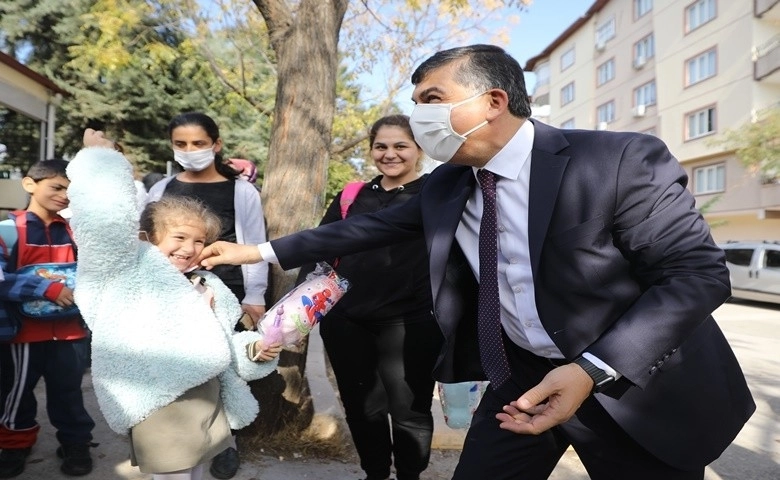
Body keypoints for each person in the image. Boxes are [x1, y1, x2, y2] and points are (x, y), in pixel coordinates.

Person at [196, 44, 756, 480]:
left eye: (433, 100)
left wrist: (591, 370)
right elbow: (368, 227)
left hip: (629, 384)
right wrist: (257, 251)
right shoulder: (447, 186)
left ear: (493, 100)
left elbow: (696, 275)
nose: (419, 118)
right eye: (416, 105)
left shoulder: (616, 160)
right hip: (523, 377)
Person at [66, 130, 282, 480]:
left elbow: (227, 342)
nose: (189, 247)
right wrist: (101, 162)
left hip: (207, 399)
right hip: (158, 400)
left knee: (195, 471)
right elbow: (104, 225)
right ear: (149, 238)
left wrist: (257, 348)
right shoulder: (124, 271)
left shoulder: (208, 284)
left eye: (200, 240)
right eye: (179, 237)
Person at [298, 115, 442, 480]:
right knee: (363, 407)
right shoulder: (352, 195)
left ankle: (410, 474)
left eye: (400, 146)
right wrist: (300, 314)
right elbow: (320, 246)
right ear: (371, 150)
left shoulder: (436, 194)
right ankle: (375, 473)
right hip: (348, 321)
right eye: (381, 146)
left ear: (419, 149)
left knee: (410, 409)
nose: (389, 154)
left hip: (412, 322)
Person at [146, 112, 269, 479]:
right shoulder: (161, 189)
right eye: (180, 144)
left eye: (198, 144)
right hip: (165, 295)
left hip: (222, 292)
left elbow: (252, 242)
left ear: (215, 145)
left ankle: (224, 442)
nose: (189, 151)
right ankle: (168, 440)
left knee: (224, 370)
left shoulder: (240, 190)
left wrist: (256, 295)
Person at [0, 159, 95, 478]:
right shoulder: (7, 230)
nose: (64, 195)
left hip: (71, 334)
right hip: (22, 335)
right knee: (16, 393)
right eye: (57, 187)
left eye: (71, 190)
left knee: (69, 391)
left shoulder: (76, 232)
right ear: (30, 185)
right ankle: (14, 445)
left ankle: (76, 442)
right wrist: (44, 287)